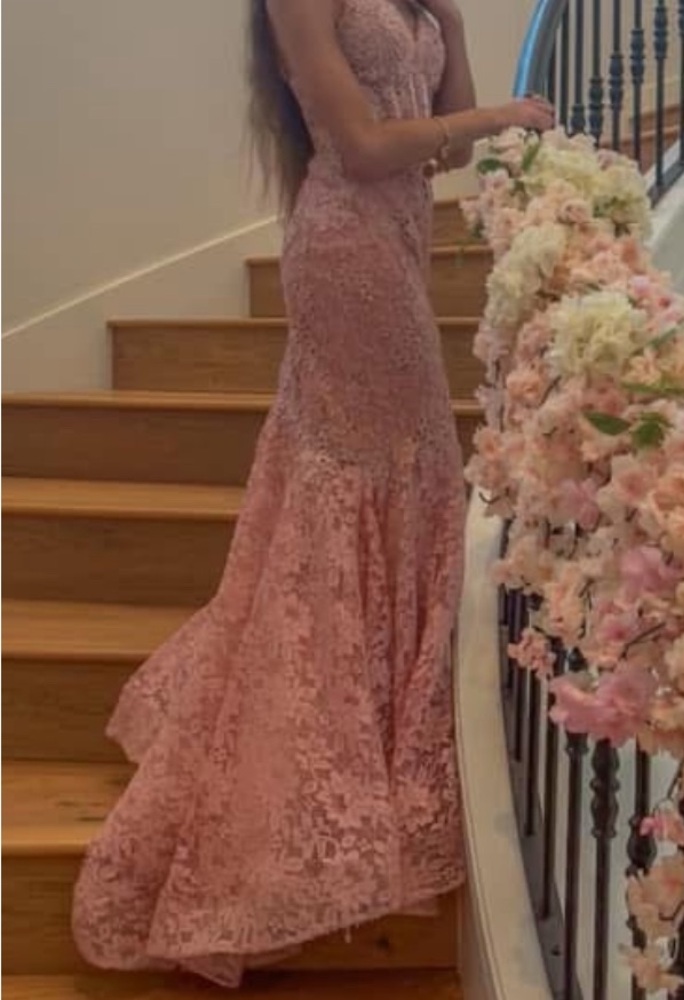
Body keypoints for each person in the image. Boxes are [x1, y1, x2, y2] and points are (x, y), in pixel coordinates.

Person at [71, 0, 554, 986]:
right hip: (345, 250)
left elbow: (449, 151)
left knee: (412, 465)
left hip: (397, 243)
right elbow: (365, 146)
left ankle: (381, 706)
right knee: (379, 470)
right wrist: (498, 116)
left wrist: (454, 27)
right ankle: (341, 732)